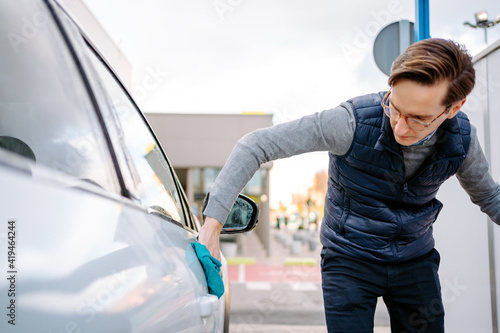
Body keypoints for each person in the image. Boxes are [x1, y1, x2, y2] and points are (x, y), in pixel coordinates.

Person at [198, 38, 500, 332]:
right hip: (348, 260)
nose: (399, 125)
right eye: (394, 107)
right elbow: (255, 146)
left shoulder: (462, 140)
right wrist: (211, 230)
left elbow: (491, 197)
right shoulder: (349, 124)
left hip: (415, 260)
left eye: (418, 118)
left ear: (453, 108)